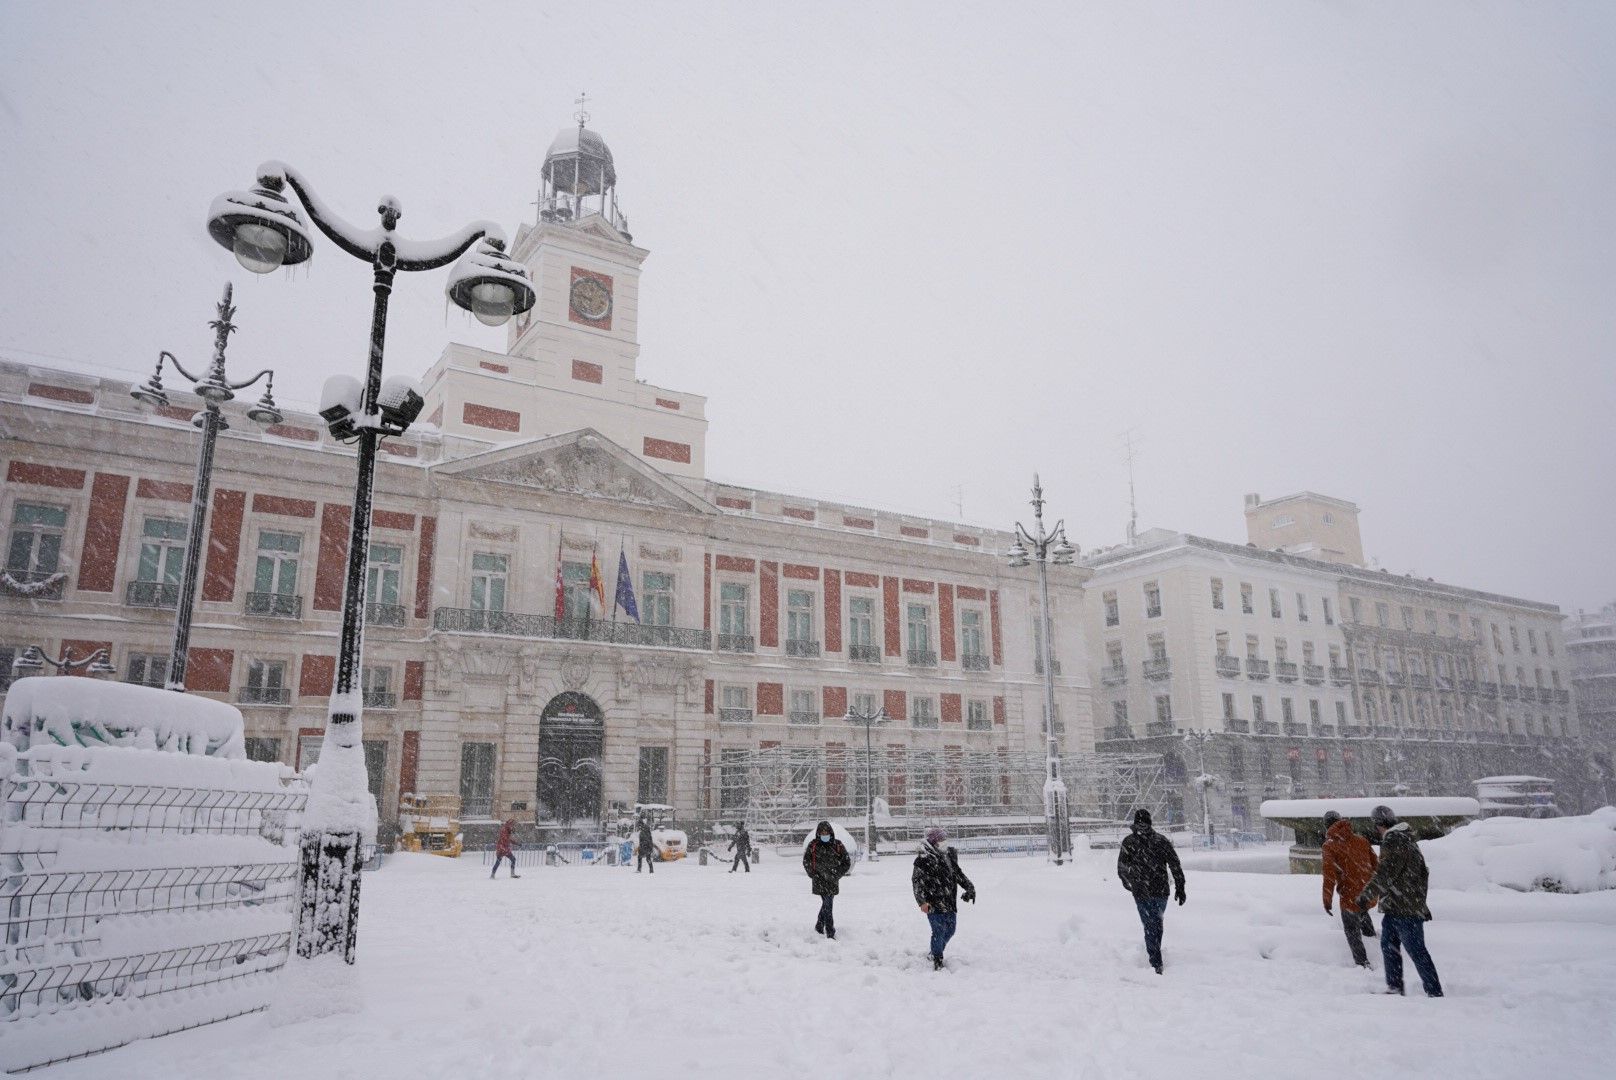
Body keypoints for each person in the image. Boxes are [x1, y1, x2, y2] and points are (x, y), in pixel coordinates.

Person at [1356, 805, 1443, 998]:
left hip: (1405, 909)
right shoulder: (1406, 839)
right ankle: (1395, 987)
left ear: (1379, 824)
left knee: (1416, 951)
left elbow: (1385, 873)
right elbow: (1420, 873)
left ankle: (1434, 992)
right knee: (1389, 946)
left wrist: (1366, 895)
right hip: (1397, 906)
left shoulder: (1395, 840)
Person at [1116, 808, 1186, 974]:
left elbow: (1174, 863)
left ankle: (1155, 956)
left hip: (1155, 890)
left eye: (1144, 823)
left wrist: (1180, 886)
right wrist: (1129, 883)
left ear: (1149, 824)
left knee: (1154, 925)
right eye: (1140, 823)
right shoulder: (1137, 842)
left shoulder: (1154, 841)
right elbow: (1122, 868)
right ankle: (1156, 961)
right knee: (1152, 924)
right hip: (1148, 891)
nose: (1142, 826)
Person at [912, 826, 976, 970]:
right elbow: (917, 883)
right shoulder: (923, 859)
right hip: (932, 903)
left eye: (944, 840)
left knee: (950, 930)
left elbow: (958, 874)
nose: (944, 843)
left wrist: (970, 887)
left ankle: (935, 950)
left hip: (949, 901)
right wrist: (922, 902)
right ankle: (937, 959)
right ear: (933, 842)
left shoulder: (949, 856)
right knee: (938, 931)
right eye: (941, 840)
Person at [1321, 811, 1378, 967]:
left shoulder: (1329, 846)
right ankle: (1374, 944)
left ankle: (1362, 963)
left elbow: (1329, 876)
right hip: (1367, 891)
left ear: (1326, 826)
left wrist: (1327, 900)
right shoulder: (1362, 840)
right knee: (1363, 913)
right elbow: (1376, 865)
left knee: (1352, 930)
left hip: (1350, 895)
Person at [802, 821, 851, 938]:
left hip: (832, 881)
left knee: (826, 904)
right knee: (828, 904)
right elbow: (806, 861)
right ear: (818, 833)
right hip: (819, 880)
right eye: (822, 832)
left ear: (830, 832)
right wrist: (813, 874)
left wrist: (837, 874)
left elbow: (846, 862)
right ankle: (830, 931)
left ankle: (819, 926)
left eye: (826, 831)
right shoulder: (813, 845)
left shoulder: (837, 845)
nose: (824, 834)